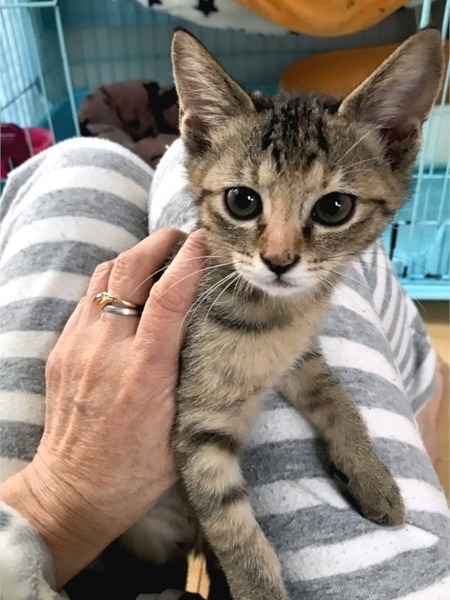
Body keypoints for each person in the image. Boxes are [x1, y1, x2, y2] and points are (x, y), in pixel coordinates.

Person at [0, 137, 449, 600]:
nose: (280, 253)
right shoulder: (217, 307)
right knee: (94, 160)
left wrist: (355, 448)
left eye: (331, 207)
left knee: (82, 160)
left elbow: (303, 364)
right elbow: (202, 442)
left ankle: (424, 376)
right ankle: (422, 377)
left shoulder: (298, 286)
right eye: (244, 201)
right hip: (135, 538)